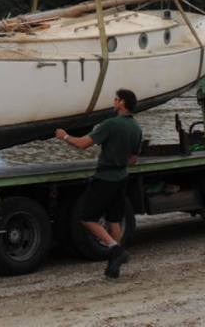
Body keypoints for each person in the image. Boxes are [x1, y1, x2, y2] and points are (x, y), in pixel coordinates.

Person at [55, 88, 142, 278]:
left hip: (105, 178)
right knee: (114, 220)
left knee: (87, 218)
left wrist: (64, 136)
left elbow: (83, 144)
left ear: (122, 103)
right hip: (122, 177)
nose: (113, 102)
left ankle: (116, 250)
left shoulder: (110, 124)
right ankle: (114, 266)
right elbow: (133, 159)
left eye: (116, 99)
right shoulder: (136, 127)